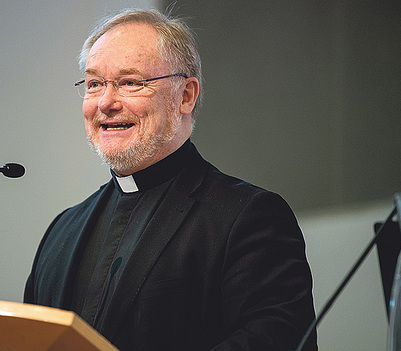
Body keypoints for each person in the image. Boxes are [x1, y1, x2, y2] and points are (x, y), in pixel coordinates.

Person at [24, 9, 317, 351]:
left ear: (186, 96)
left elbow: (277, 342)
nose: (106, 102)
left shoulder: (247, 217)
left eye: (131, 82)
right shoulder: (62, 231)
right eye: (94, 84)